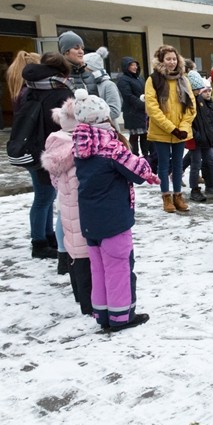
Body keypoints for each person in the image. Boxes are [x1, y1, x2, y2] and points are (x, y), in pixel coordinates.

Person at [72, 89, 158, 332]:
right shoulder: (110, 146)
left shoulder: (80, 144)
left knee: (98, 267)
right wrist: (149, 165)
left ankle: (102, 313)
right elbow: (137, 171)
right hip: (114, 218)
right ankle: (121, 317)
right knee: (119, 267)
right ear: (103, 117)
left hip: (90, 219)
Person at [20, 52, 75, 259]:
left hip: (31, 146)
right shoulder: (58, 91)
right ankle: (39, 242)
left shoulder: (31, 87)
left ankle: (48, 235)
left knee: (45, 196)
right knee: (44, 197)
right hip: (49, 150)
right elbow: (65, 123)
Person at [41, 96, 92, 315]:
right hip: (83, 209)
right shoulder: (78, 149)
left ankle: (78, 295)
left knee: (73, 250)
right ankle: (88, 301)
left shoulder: (54, 142)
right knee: (84, 252)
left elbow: (54, 178)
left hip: (66, 205)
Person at [144, 45, 196, 213]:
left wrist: (182, 127)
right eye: (168, 59)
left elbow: (191, 107)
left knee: (178, 164)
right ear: (161, 60)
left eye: (174, 59)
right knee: (164, 166)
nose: (171, 62)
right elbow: (152, 108)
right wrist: (171, 128)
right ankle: (166, 197)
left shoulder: (184, 79)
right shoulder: (153, 79)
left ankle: (178, 196)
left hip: (180, 131)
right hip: (161, 132)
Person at [187, 75, 213, 203]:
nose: (206, 93)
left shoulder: (208, 104)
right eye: (203, 90)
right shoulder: (192, 102)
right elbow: (188, 121)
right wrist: (195, 135)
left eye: (209, 90)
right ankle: (194, 189)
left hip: (206, 140)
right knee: (195, 163)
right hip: (197, 139)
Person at [117, 57, 149, 156]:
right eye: (132, 65)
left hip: (143, 111)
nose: (135, 67)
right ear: (126, 67)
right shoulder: (123, 79)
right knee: (134, 135)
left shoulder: (140, 78)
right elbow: (128, 96)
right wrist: (143, 105)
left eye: (135, 65)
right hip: (132, 112)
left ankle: (146, 155)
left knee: (145, 135)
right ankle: (134, 156)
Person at [58, 31, 98, 95]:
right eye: (76, 48)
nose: (81, 52)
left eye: (82, 48)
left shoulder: (89, 74)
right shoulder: (58, 76)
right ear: (65, 51)